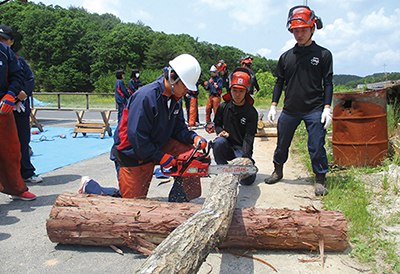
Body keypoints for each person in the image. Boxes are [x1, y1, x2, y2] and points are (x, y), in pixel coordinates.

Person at [79, 54, 207, 203]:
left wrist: (193, 137)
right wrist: (161, 157)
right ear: (173, 77)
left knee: (190, 154)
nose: (187, 90)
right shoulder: (146, 97)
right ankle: (91, 188)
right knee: (132, 205)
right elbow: (137, 138)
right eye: (185, 85)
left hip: (156, 144)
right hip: (133, 152)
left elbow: (178, 128)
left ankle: (179, 198)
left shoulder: (175, 100)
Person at [265, 6, 333, 196]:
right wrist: (273, 105)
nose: (299, 34)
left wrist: (327, 108)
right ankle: (277, 171)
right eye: (296, 30)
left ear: (313, 28)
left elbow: (328, 82)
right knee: (282, 143)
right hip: (290, 109)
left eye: (303, 30)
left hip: (314, 108)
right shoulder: (286, 57)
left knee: (316, 144)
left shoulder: (323, 55)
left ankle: (320, 179)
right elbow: (279, 82)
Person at [0, 25, 43, 184]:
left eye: (4, 39)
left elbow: (27, 80)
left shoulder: (18, 61)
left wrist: (18, 95)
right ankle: (8, 178)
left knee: (22, 141)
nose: (2, 42)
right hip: (2, 107)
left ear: (11, 41)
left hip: (18, 107)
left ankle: (25, 171)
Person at [211, 67, 258, 185]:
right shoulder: (223, 107)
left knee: (247, 181)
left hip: (241, 150)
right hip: (227, 146)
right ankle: (222, 172)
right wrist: (220, 131)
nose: (237, 94)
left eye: (241, 91)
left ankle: (244, 169)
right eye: (234, 90)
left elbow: (249, 137)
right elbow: (217, 124)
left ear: (247, 91)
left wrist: (245, 159)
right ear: (230, 89)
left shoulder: (251, 112)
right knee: (218, 142)